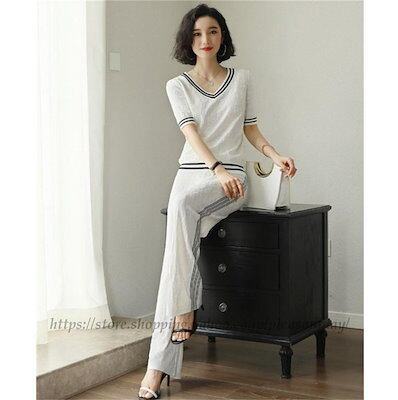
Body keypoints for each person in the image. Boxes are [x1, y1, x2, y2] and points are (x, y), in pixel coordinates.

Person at [138, 3, 297, 399]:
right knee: (180, 233)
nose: (204, 40)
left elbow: (251, 129)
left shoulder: (241, 79)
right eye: (196, 34)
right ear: (187, 41)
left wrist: (275, 155)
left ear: (222, 35)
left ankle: (165, 351)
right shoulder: (177, 86)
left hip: (230, 181)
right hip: (193, 175)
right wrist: (215, 168)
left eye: (211, 31)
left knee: (180, 222)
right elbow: (191, 133)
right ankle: (177, 321)